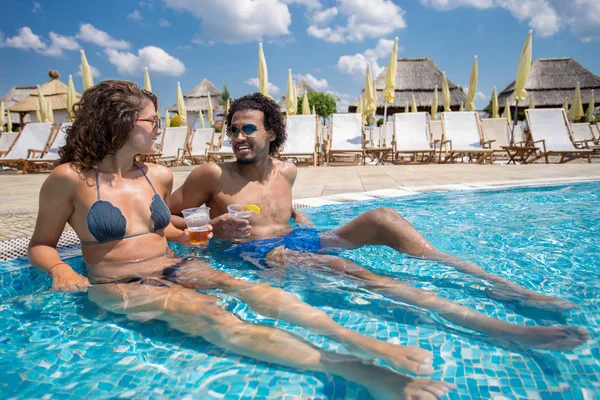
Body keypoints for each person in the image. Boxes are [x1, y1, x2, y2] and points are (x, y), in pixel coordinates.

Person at [27, 80, 455, 400]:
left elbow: (169, 230)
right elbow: (40, 244)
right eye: (153, 121)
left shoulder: (154, 174)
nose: (159, 129)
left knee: (253, 292)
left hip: (174, 266)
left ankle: (354, 339)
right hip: (118, 284)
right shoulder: (69, 180)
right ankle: (356, 369)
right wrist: (60, 267)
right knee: (217, 319)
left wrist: (210, 230)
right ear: (120, 122)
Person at [170, 92, 589, 352]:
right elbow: (164, 216)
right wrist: (212, 228)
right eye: (232, 131)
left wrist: (299, 218)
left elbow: (283, 211)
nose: (238, 138)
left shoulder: (288, 172)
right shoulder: (211, 174)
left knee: (383, 217)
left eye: (247, 129)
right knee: (348, 269)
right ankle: (490, 326)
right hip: (262, 256)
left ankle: (492, 283)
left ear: (271, 133)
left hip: (301, 239)